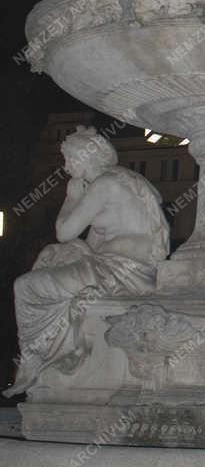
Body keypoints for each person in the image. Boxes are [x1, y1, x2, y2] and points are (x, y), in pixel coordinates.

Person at [11, 128, 170, 394]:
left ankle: (41, 359)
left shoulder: (103, 185)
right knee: (52, 258)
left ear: (87, 158)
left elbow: (65, 232)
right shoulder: (127, 180)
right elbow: (91, 246)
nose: (66, 167)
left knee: (25, 287)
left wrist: (71, 199)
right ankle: (57, 354)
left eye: (71, 159)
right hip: (129, 268)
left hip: (119, 271)